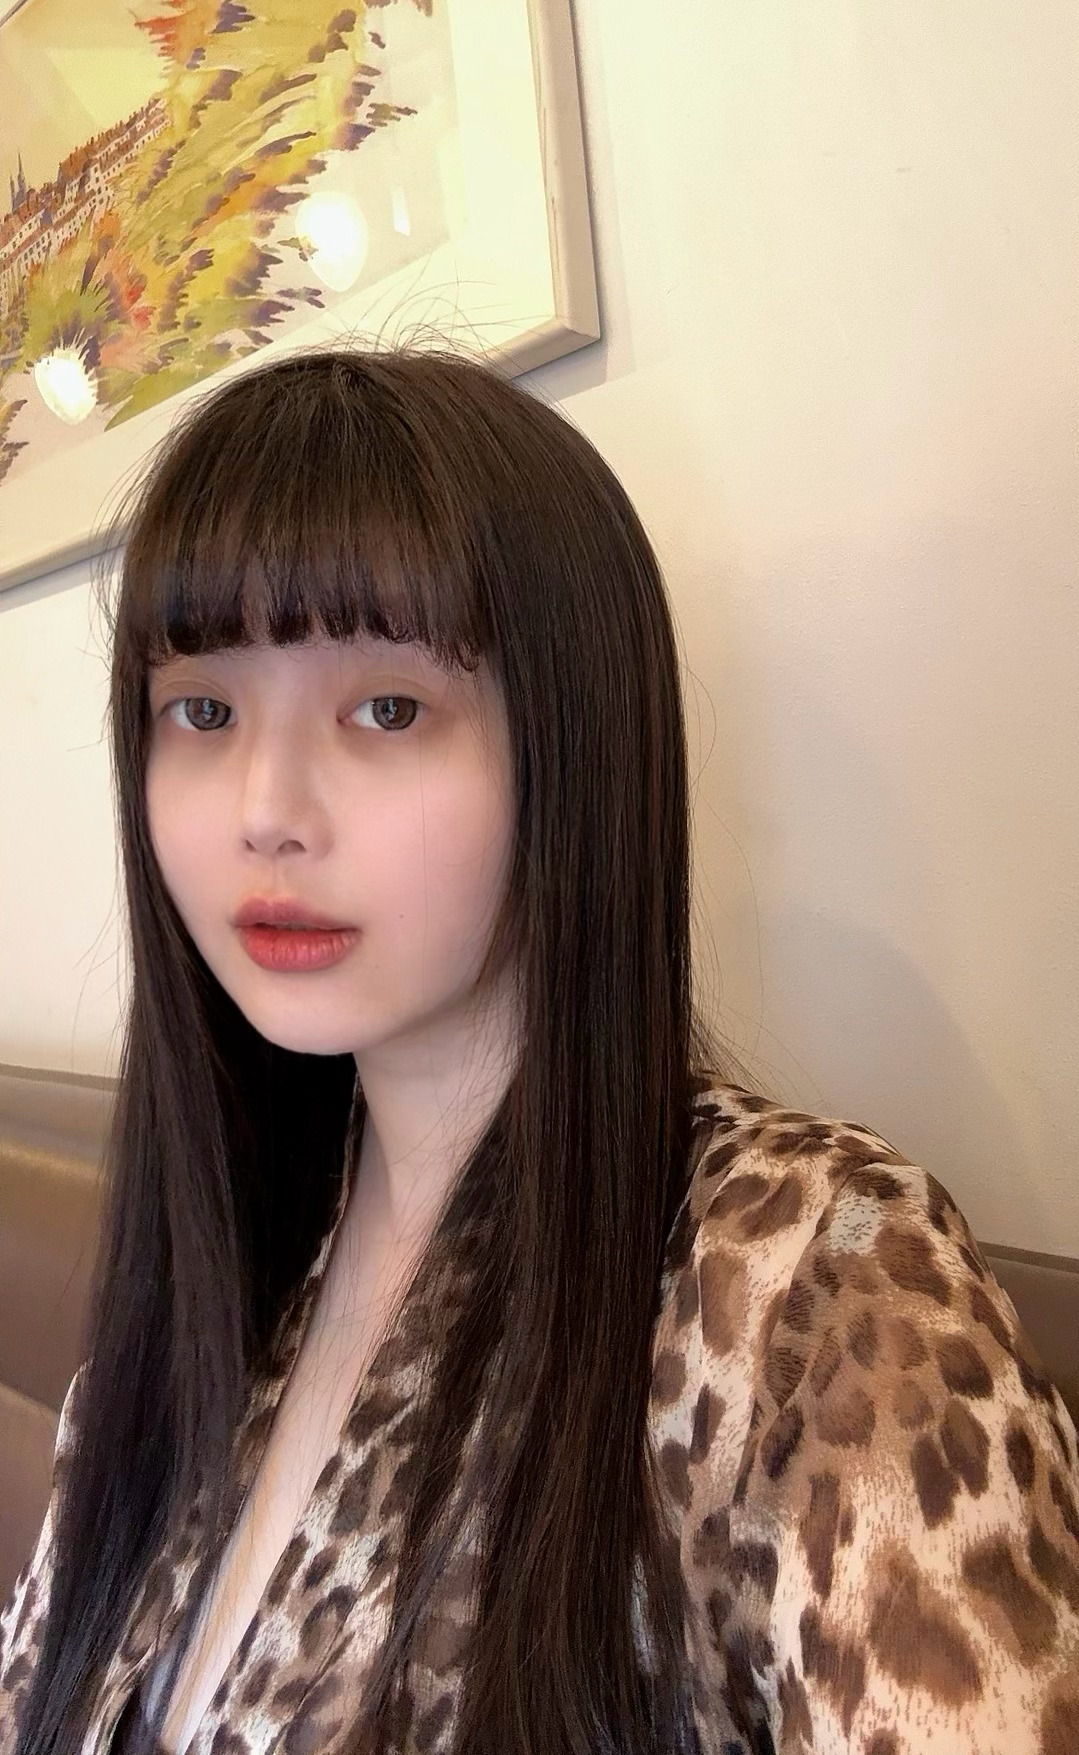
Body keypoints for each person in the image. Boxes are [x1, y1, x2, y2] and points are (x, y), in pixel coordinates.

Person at [1, 344, 1076, 1755]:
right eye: (201, 711)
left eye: (388, 709)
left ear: (576, 744)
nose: (266, 809)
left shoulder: (813, 1288)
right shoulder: (220, 1267)